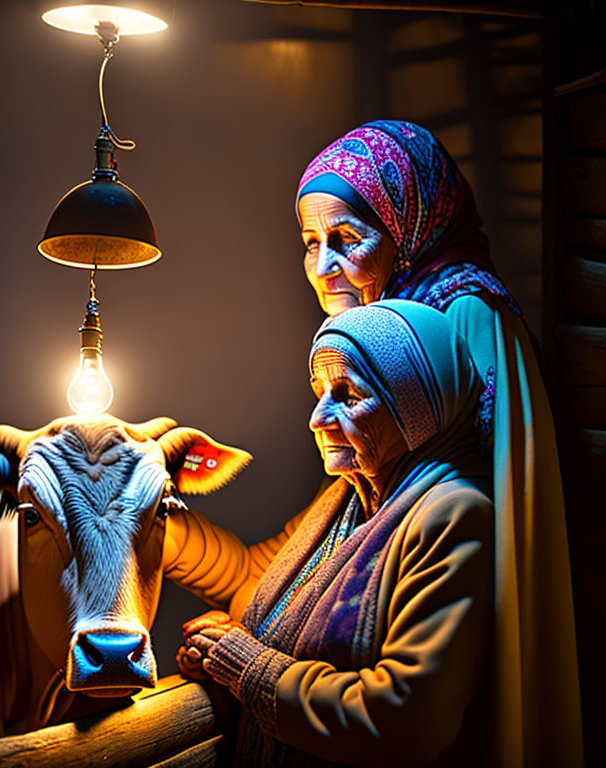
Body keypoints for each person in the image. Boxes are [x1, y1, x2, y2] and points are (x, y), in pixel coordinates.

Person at [293, 120, 581, 766]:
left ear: (405, 224)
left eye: (344, 240)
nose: (323, 268)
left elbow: (495, 481)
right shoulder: (390, 309)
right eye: (310, 243)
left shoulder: (467, 311)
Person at [180, 300, 493, 767]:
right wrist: (219, 643)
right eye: (319, 392)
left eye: (347, 394)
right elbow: (271, 608)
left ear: (416, 405)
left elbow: (406, 718)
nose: (317, 418)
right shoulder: (346, 496)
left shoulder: (453, 515)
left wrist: (247, 667)